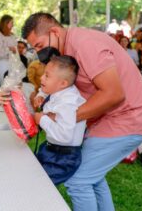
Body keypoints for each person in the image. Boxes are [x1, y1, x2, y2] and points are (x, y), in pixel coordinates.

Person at [22, 12, 142, 211]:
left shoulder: (85, 44)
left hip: (128, 117)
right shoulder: (67, 49)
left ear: (55, 32)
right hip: (109, 118)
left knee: (78, 180)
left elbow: (114, 94)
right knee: (93, 177)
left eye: (39, 45)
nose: (39, 52)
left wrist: (62, 119)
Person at [33, 56, 86, 185]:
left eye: (47, 76)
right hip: (50, 149)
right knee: (32, 174)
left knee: (41, 186)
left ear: (63, 83)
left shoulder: (68, 103)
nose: (41, 78)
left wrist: (42, 120)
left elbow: (64, 136)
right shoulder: (62, 89)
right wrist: (41, 95)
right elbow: (49, 91)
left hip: (62, 157)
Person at [0, 14, 17, 83]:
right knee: (6, 84)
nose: (13, 25)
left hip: (12, 63)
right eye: (11, 23)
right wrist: (8, 49)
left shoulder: (12, 36)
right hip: (2, 64)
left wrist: (16, 50)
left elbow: (15, 49)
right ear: (6, 23)